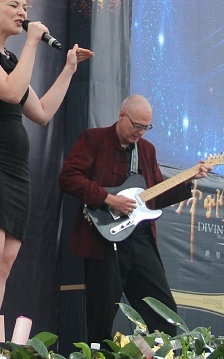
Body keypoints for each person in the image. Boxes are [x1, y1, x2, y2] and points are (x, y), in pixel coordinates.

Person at [0, 0, 93, 353]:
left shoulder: (11, 60)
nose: (22, 13)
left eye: (25, 7)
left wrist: (68, 69)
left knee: (4, 261)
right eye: (14, 5)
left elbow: (41, 112)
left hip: (14, 169)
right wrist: (31, 42)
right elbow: (11, 92)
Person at [59, 95, 208, 345]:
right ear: (122, 116)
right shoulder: (94, 139)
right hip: (103, 241)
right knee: (101, 315)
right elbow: (68, 177)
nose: (140, 132)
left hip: (140, 239)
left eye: (146, 127)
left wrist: (188, 180)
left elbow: (155, 196)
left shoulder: (146, 150)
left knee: (164, 313)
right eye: (137, 125)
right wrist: (107, 198)